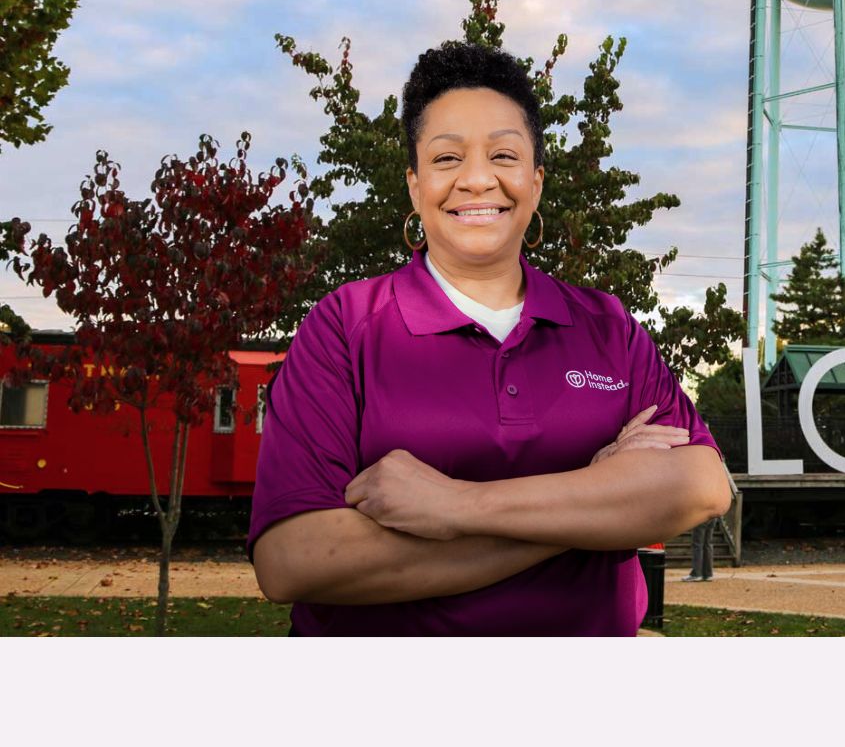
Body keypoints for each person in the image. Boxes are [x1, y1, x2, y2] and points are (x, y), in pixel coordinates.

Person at [248, 41, 731, 635]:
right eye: (447, 158)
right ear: (414, 184)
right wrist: (596, 507)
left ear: (536, 181)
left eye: (503, 154)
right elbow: (292, 560)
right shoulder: (345, 326)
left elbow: (701, 484)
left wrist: (455, 506)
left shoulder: (608, 327)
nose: (478, 180)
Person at [683, 516, 718, 582]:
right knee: (707, 545)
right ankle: (708, 574)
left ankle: (696, 574)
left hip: (702, 517)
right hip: (713, 516)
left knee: (697, 545)